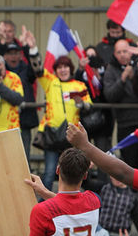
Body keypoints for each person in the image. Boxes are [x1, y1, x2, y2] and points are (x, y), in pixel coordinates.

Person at [31, 54, 93, 190]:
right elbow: (38, 70)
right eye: (59, 67)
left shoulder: (79, 85)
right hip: (52, 136)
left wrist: (81, 104)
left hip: (73, 136)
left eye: (65, 67)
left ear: (71, 69)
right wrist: (33, 50)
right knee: (49, 174)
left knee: (74, 172)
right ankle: (45, 206)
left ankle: (70, 203)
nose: (63, 70)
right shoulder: (51, 82)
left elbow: (89, 106)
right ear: (56, 70)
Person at [103, 40, 138, 167]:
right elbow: (110, 96)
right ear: (114, 54)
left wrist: (136, 76)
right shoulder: (111, 70)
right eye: (119, 52)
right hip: (125, 123)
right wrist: (122, 78)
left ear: (131, 52)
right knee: (129, 163)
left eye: (125, 51)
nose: (123, 55)